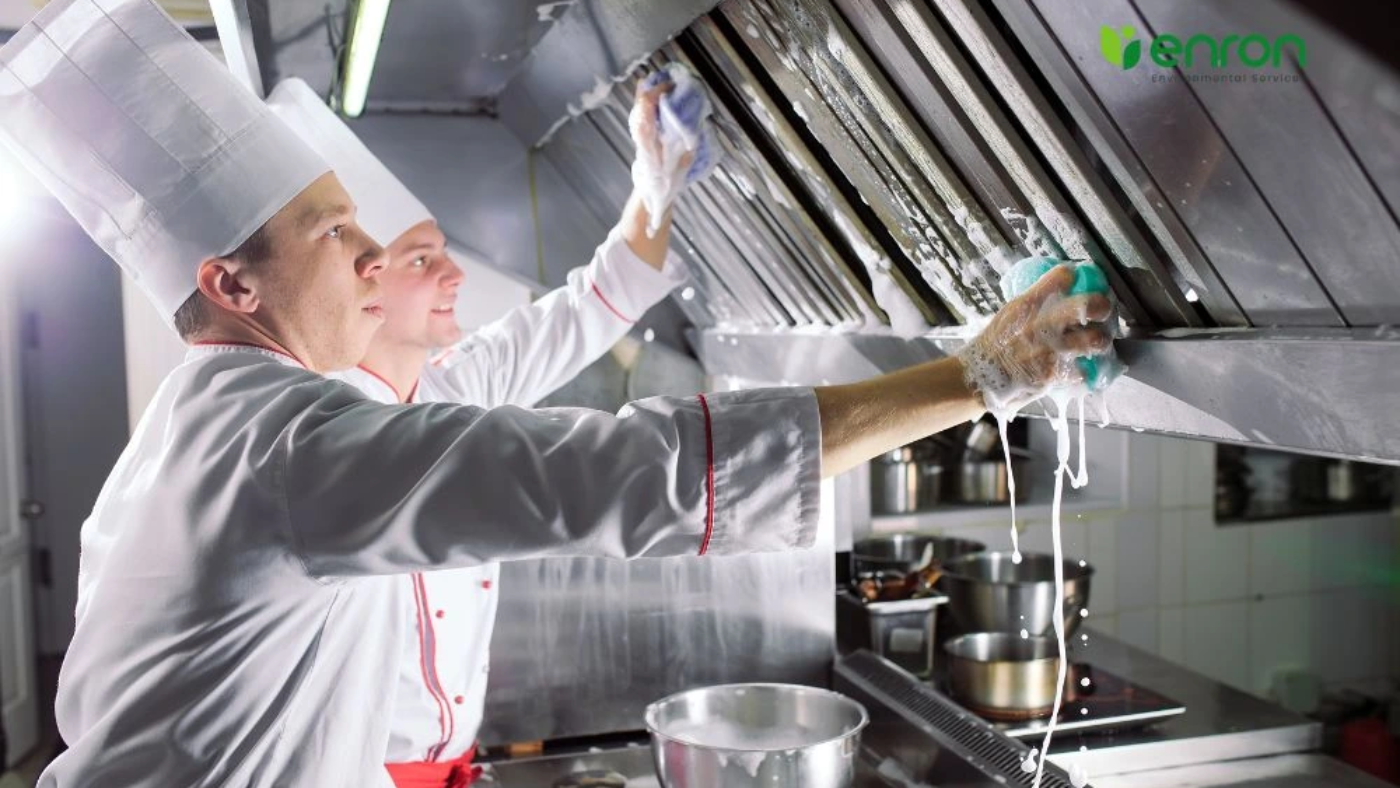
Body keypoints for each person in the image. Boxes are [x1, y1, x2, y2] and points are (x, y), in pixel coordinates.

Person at [0, 1, 1113, 786]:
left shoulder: (219, 422)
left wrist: (652, 194)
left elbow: (565, 331)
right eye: (332, 233)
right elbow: (639, 472)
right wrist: (973, 376)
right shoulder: (292, 439)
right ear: (230, 283)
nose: (370, 261)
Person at [267, 77, 692, 785]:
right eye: (423, 260)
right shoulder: (316, 437)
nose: (455, 274)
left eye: (445, 250)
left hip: (458, 763)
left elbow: (597, 300)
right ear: (362, 278)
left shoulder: (459, 384)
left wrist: (657, 180)